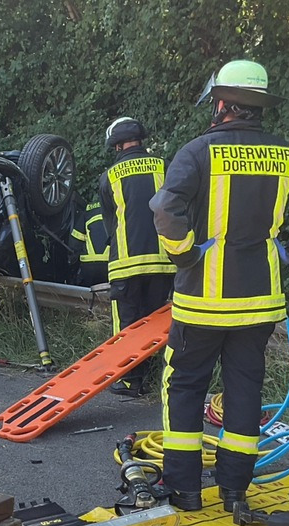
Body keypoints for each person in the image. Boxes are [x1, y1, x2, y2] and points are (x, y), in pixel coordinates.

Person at [150, 59, 289, 512]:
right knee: (244, 394)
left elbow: (165, 210)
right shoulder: (286, 155)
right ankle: (235, 491)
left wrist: (183, 254)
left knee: (184, 389)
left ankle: (184, 490)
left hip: (201, 304)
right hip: (259, 305)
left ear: (222, 103)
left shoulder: (197, 152)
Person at [99, 117, 176, 398]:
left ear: (116, 144)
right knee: (155, 321)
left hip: (126, 264)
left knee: (128, 324)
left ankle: (132, 380)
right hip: (164, 260)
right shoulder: (164, 167)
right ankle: (159, 373)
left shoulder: (110, 176)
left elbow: (111, 224)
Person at [69, 199, 110, 288]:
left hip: (89, 265)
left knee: (88, 296)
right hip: (111, 264)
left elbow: (74, 242)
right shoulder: (119, 208)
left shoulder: (88, 211)